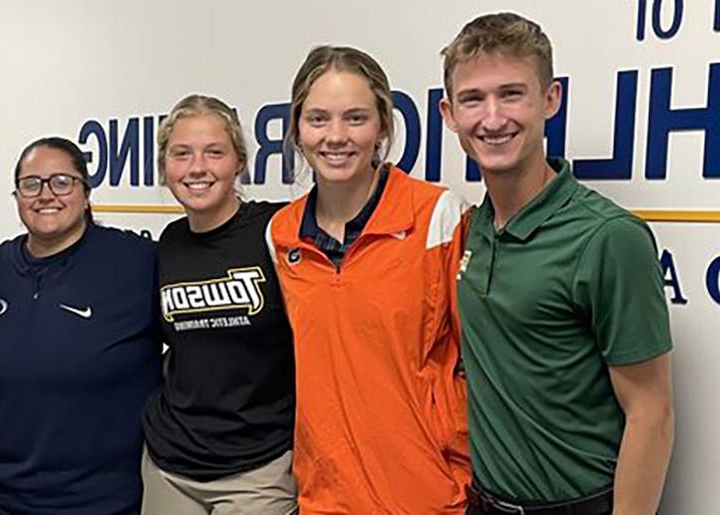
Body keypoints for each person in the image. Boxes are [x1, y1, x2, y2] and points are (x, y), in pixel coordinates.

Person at [437, 13, 675, 515]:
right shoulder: (475, 228)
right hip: (483, 502)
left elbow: (651, 413)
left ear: (551, 100)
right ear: (448, 114)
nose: (493, 118)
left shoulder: (609, 237)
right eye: (473, 99)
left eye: (512, 94)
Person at [264, 46, 473, 514]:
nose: (336, 136)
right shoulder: (281, 234)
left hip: (426, 495)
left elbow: (478, 364)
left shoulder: (438, 216)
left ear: (382, 125)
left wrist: (454, 467)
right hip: (326, 497)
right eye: (318, 119)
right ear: (297, 129)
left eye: (355, 118)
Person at [0, 137, 161, 514]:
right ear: (18, 195)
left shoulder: (137, 262)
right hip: (1, 496)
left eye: (61, 181)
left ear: (86, 193)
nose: (45, 194)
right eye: (31, 184)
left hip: (106, 500)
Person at [141, 94, 298, 514]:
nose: (197, 168)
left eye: (214, 152)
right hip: (170, 466)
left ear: (239, 161)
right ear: (165, 166)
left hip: (258, 469)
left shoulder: (276, 230)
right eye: (181, 154)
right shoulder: (169, 243)